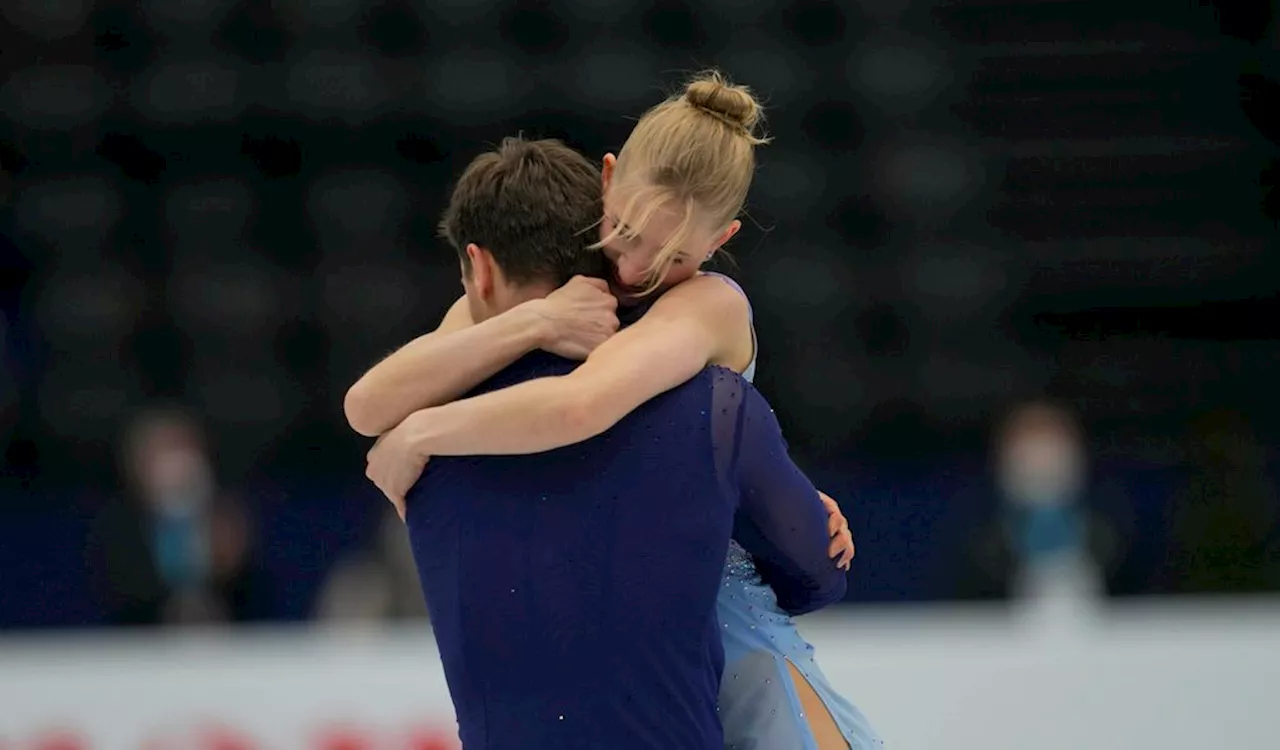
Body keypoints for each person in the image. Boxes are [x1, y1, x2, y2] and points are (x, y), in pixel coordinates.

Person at [351, 72, 882, 750]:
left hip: (742, 654)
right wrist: (538, 319)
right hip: (636, 659)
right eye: (625, 231)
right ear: (607, 179)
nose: (635, 268)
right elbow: (368, 405)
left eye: (675, 255)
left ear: (722, 239)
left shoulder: (707, 304)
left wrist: (423, 432)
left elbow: (582, 405)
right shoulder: (553, 284)